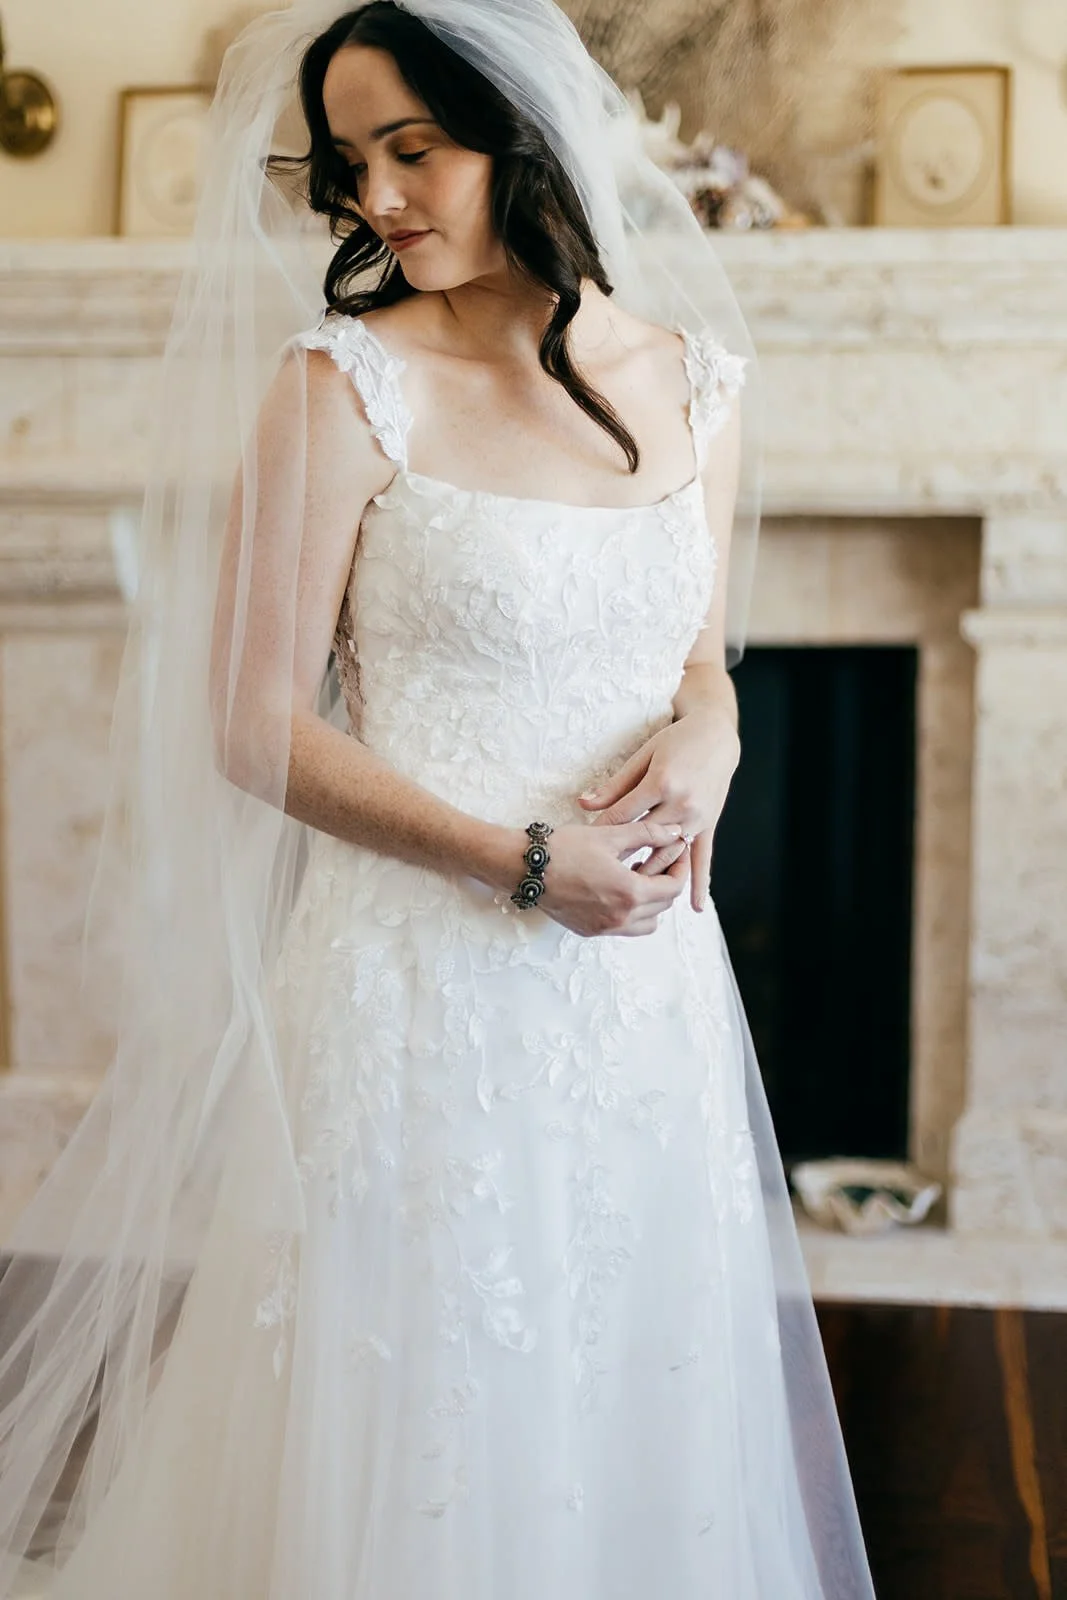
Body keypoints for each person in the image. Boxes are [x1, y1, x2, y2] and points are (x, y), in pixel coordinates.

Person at [0, 2, 875, 1596]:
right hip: (415, 993)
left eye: (413, 149)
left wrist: (719, 735)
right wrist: (523, 864)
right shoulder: (340, 387)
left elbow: (696, 661)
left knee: (626, 1385)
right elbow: (252, 725)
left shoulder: (693, 383)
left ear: (520, 136)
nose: (377, 198)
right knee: (421, 1414)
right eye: (349, 163)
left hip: (641, 999)